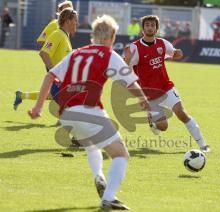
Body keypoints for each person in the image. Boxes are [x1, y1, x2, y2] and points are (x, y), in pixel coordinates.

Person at [28, 14, 150, 210]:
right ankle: (108, 197)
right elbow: (130, 82)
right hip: (88, 111)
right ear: (111, 36)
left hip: (67, 114)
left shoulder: (76, 53)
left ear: (93, 35)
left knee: (91, 145)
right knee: (121, 154)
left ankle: (99, 177)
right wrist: (143, 99)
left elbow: (50, 76)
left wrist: (38, 107)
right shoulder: (109, 54)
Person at [124, 15, 210, 153]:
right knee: (163, 127)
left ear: (156, 29)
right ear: (142, 29)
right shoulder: (135, 48)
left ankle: (203, 145)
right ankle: (153, 121)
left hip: (166, 87)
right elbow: (125, 65)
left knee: (181, 113)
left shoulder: (163, 43)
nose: (150, 27)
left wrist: (178, 53)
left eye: (153, 25)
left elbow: (174, 53)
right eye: (147, 25)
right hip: (149, 93)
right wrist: (126, 60)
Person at [13, 1, 73, 110]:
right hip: (53, 64)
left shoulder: (67, 28)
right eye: (65, 9)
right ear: (60, 12)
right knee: (60, 91)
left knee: (53, 93)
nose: (67, 12)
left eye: (69, 9)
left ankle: (21, 95)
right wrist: (52, 50)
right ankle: (66, 116)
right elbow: (42, 40)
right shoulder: (54, 25)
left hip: (60, 65)